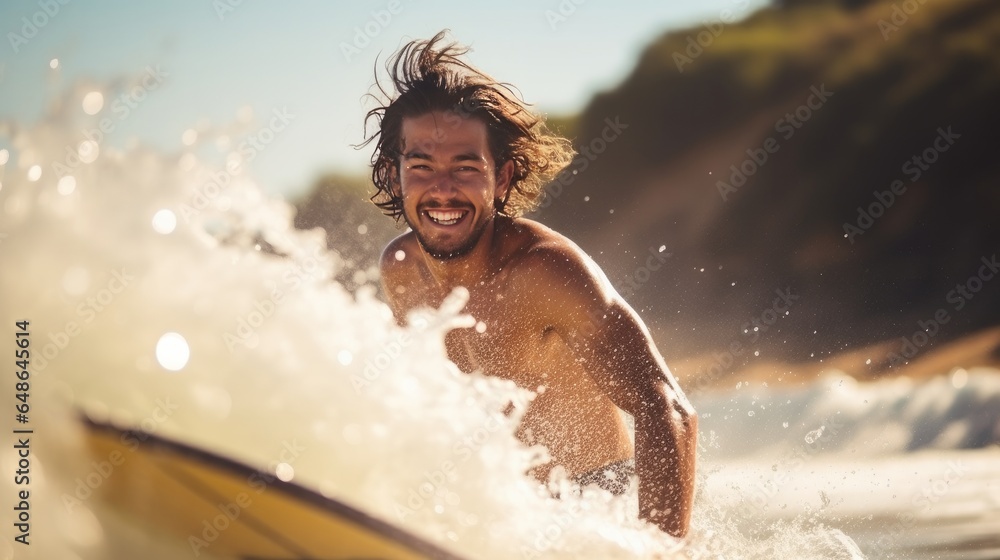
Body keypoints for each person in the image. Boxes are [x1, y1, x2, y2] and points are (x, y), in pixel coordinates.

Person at [362, 31, 697, 538]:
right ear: (394, 177)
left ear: (501, 178)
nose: (443, 189)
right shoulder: (402, 269)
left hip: (596, 515)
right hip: (501, 515)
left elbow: (666, 407)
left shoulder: (544, 271)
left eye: (465, 167)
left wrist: (655, 550)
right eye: (421, 167)